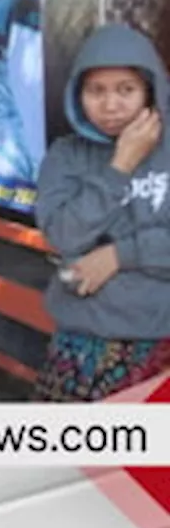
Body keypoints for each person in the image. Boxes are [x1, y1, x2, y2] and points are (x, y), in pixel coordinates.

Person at [34, 23, 170, 403]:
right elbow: (64, 235)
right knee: (71, 460)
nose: (111, 105)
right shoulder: (67, 155)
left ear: (150, 89)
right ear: (79, 95)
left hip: (161, 341)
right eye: (97, 91)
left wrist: (117, 255)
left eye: (126, 90)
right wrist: (121, 165)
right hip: (85, 346)